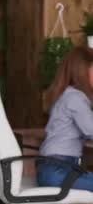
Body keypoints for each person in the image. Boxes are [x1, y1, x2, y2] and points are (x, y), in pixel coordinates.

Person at [37, 46, 93, 192]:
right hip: (57, 171)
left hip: (55, 169)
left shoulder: (69, 95)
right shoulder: (75, 97)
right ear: (81, 71)